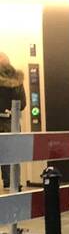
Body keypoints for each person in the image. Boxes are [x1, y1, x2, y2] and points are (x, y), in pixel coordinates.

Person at [0, 52, 26, 190]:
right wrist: (11, 110)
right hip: (12, 121)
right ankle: (12, 182)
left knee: (6, 152)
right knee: (12, 153)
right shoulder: (18, 80)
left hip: (4, 120)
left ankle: (9, 182)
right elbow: (23, 103)